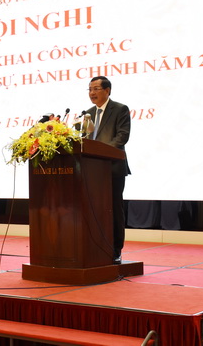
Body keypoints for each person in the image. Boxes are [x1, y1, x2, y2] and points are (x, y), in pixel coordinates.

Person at [86, 76, 131, 264]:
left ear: (107, 90)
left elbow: (122, 137)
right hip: (92, 170)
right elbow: (85, 139)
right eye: (90, 89)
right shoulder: (88, 114)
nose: (92, 93)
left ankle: (115, 249)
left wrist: (101, 152)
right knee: (94, 210)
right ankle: (96, 246)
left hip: (112, 168)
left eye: (96, 89)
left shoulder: (120, 109)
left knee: (113, 209)